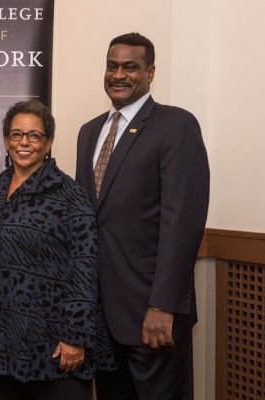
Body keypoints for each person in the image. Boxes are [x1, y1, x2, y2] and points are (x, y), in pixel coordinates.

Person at [75, 32, 210, 399]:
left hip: (152, 312)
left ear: (150, 72)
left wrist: (163, 305)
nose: (118, 74)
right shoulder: (89, 132)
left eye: (130, 67)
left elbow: (183, 223)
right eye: (112, 66)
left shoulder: (175, 125)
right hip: (100, 316)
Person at [0, 100, 114, 400]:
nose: (24, 143)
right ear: (6, 140)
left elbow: (85, 267)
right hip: (2, 343)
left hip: (53, 346)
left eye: (34, 136)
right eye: (16, 134)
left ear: (48, 141)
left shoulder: (69, 194)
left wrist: (75, 336)